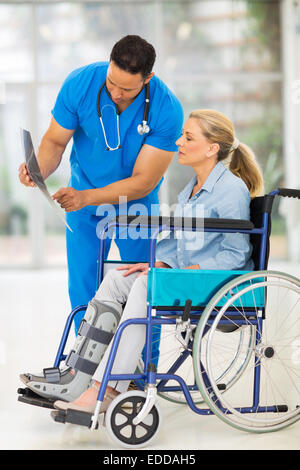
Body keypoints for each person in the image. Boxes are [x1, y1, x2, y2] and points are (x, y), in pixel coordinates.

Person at [20, 108, 263, 413]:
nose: (179, 142)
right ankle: (79, 375)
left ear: (213, 148)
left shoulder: (230, 189)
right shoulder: (192, 189)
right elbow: (179, 242)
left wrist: (185, 272)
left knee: (144, 289)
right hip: (189, 277)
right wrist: (158, 264)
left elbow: (236, 254)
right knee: (116, 279)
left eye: (188, 137)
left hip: (213, 283)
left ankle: (106, 388)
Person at [18, 35, 184, 332]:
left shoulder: (166, 108)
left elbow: (144, 182)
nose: (116, 93)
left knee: (143, 288)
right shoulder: (80, 83)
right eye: (111, 83)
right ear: (108, 66)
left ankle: (141, 373)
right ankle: (85, 370)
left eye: (127, 89)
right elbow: (55, 142)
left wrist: (86, 197)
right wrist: (37, 169)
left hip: (135, 207)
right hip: (82, 203)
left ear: (148, 79)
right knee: (83, 288)